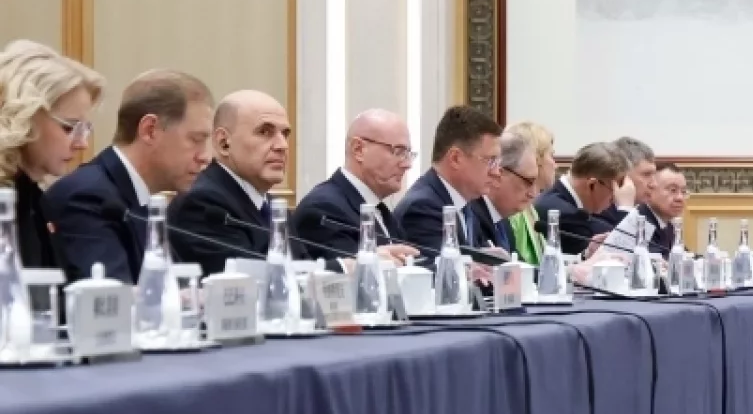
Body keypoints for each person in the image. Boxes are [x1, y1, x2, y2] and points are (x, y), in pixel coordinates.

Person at [169, 91, 416, 275]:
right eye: (265, 132)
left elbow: (303, 268)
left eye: (285, 134)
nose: (282, 145)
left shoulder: (272, 206)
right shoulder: (203, 202)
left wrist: (366, 261)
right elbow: (250, 283)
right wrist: (350, 266)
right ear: (224, 143)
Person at [43, 70, 214, 283]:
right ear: (150, 130)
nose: (205, 157)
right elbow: (111, 297)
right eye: (196, 139)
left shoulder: (141, 200)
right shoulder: (87, 198)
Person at [0, 40, 104, 269]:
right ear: (24, 117)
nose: (82, 144)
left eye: (85, 129)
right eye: (69, 128)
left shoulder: (35, 199)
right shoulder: (10, 201)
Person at [293, 108, 412, 259]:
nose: (407, 164)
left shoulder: (380, 210)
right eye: (399, 152)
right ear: (359, 150)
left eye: (408, 154)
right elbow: (348, 271)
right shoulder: (323, 209)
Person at [395, 105, 503, 253]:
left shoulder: (467, 206)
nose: (496, 172)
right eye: (490, 161)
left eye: (497, 162)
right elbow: (444, 267)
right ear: (455, 158)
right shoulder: (423, 208)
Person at [533, 142, 629, 256]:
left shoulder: (562, 198)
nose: (616, 197)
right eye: (614, 189)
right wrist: (625, 207)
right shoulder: (566, 215)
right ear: (592, 185)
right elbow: (620, 248)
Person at [469, 133, 539, 256]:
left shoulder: (502, 220)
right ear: (499, 174)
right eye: (528, 181)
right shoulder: (472, 218)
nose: (533, 193)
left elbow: (516, 263)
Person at [503, 120, 555, 264]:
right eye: (551, 155)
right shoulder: (513, 210)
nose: (555, 164)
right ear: (536, 158)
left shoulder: (529, 207)